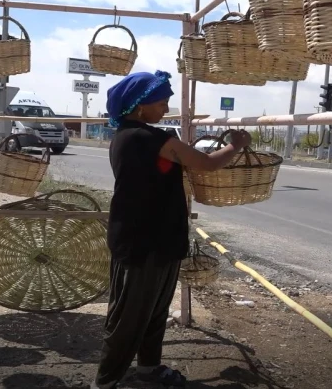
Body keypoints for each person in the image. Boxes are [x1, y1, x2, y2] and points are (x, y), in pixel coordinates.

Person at [92, 70, 252, 389]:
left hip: (153, 238)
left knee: (153, 310)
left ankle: (149, 370)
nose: (166, 109)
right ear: (141, 107)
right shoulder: (150, 139)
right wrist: (236, 145)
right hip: (144, 242)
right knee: (130, 316)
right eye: (162, 102)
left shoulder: (125, 136)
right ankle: (105, 382)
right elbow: (206, 163)